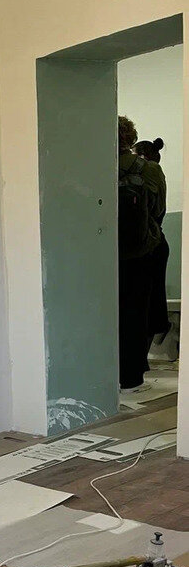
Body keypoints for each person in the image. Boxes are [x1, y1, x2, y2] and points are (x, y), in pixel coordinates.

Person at [117, 116, 163, 391]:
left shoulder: (92, 167)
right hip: (141, 251)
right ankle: (132, 378)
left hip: (102, 253)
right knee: (137, 313)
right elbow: (158, 210)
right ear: (131, 138)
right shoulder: (149, 169)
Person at [134, 137, 171, 362]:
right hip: (156, 244)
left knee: (148, 304)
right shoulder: (156, 173)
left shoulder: (150, 172)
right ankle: (140, 360)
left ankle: (139, 361)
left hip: (150, 245)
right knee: (152, 301)